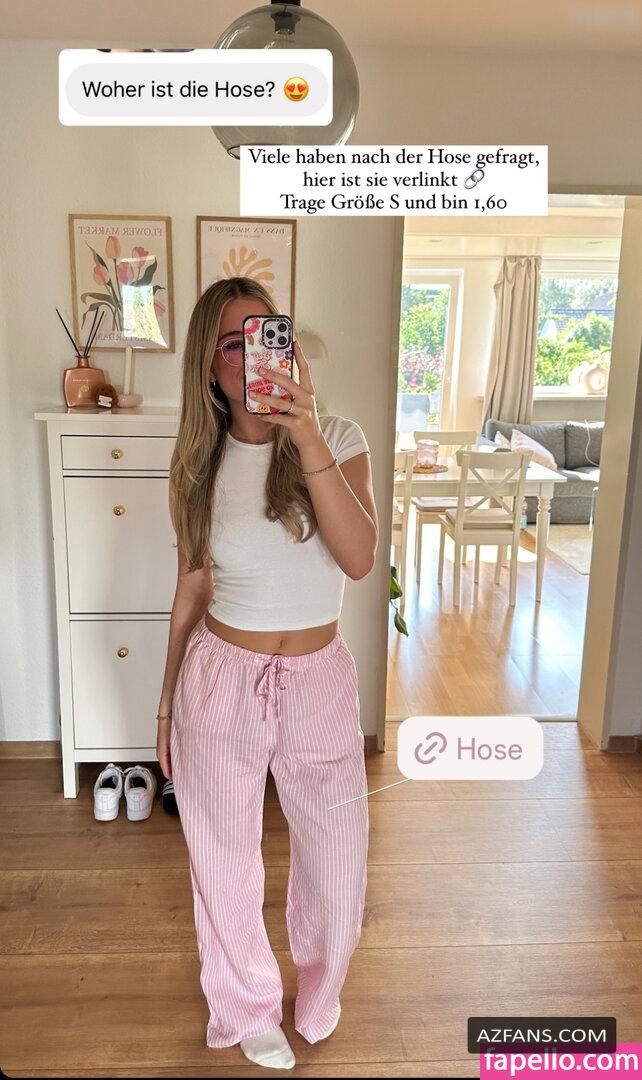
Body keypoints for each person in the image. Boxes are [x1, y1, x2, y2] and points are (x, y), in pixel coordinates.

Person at [156, 276, 378, 1069]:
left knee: (337, 864)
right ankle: (247, 1006)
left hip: (320, 681)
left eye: (265, 335)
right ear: (209, 366)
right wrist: (164, 706)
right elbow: (192, 589)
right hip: (220, 680)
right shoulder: (197, 464)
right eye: (232, 341)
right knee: (223, 860)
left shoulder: (338, 436)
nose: (252, 356)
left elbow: (359, 559)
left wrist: (307, 434)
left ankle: (319, 993)